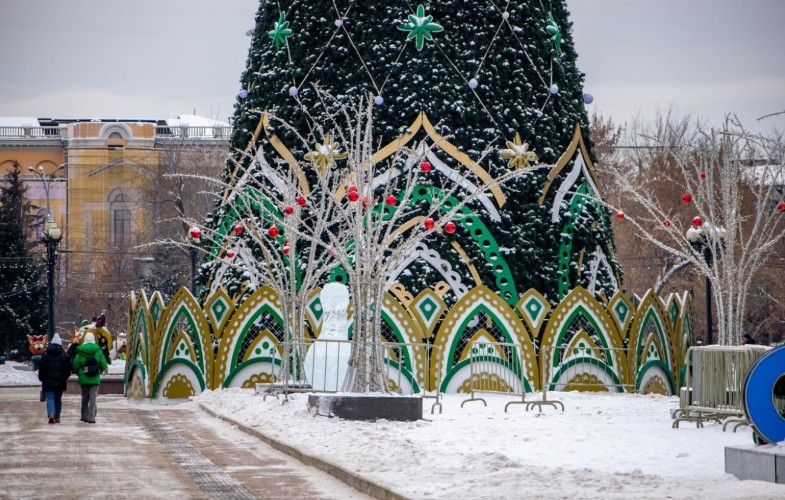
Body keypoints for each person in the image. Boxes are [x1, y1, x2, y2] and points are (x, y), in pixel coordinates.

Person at [72, 332, 108, 424]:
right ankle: (91, 417)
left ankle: (84, 416)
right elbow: (103, 364)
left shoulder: (80, 351)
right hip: (95, 378)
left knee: (84, 397)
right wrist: (98, 371)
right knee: (93, 398)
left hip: (84, 378)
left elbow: (75, 364)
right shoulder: (98, 350)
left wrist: (81, 372)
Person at [38, 333, 71, 424]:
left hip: (48, 382)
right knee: (58, 399)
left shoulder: (45, 355)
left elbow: (42, 368)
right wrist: (64, 377)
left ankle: (51, 412)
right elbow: (68, 370)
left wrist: (42, 378)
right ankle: (57, 417)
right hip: (60, 382)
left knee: (50, 397)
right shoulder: (64, 356)